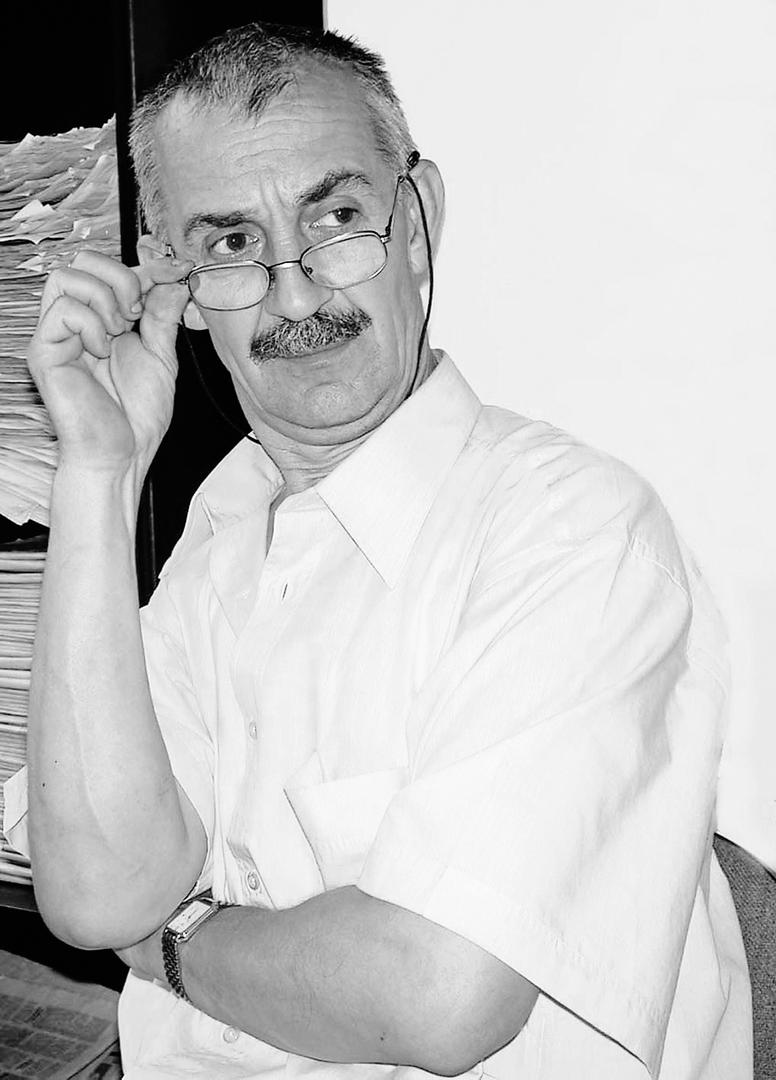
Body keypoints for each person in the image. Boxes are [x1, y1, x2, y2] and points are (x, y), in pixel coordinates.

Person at [4, 20, 752, 1080]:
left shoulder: (572, 529)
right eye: (232, 244)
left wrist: (172, 943)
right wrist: (98, 472)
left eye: (337, 219)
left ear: (419, 222)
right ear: (175, 284)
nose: (296, 293)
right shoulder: (220, 536)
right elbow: (97, 895)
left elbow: (436, 998)